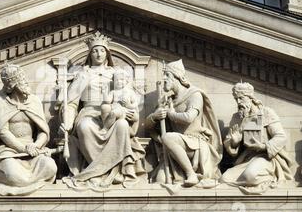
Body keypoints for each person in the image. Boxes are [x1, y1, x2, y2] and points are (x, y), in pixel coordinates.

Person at [59, 31, 146, 190]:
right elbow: (71, 103)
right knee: (84, 126)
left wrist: (130, 112)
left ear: (107, 54)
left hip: (113, 112)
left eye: (102, 50)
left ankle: (114, 169)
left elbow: (128, 97)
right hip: (89, 112)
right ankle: (99, 171)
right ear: (90, 54)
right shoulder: (83, 74)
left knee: (122, 126)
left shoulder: (116, 74)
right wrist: (68, 123)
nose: (98, 54)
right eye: (94, 50)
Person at [146, 59, 222, 187]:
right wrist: (155, 116)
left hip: (194, 144)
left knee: (168, 136)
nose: (164, 78)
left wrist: (171, 114)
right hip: (174, 149)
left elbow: (189, 117)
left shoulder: (194, 94)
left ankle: (191, 173)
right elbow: (148, 127)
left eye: (167, 75)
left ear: (177, 77)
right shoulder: (167, 100)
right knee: (160, 180)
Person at [0, 64, 57, 195]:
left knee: (50, 166)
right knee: (14, 175)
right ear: (11, 85)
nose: (25, 82)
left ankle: (22, 181)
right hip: (9, 152)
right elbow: (2, 131)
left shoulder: (34, 101)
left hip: (33, 151)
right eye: (21, 80)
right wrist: (23, 149)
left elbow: (43, 131)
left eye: (24, 79)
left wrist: (36, 145)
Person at [220, 82, 293, 191]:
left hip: (266, 157)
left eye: (241, 98)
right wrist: (234, 143)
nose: (238, 102)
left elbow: (281, 137)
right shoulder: (236, 118)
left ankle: (271, 177)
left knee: (250, 176)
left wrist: (264, 147)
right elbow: (230, 144)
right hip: (246, 159)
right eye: (236, 99)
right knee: (224, 179)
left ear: (250, 97)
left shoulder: (266, 113)